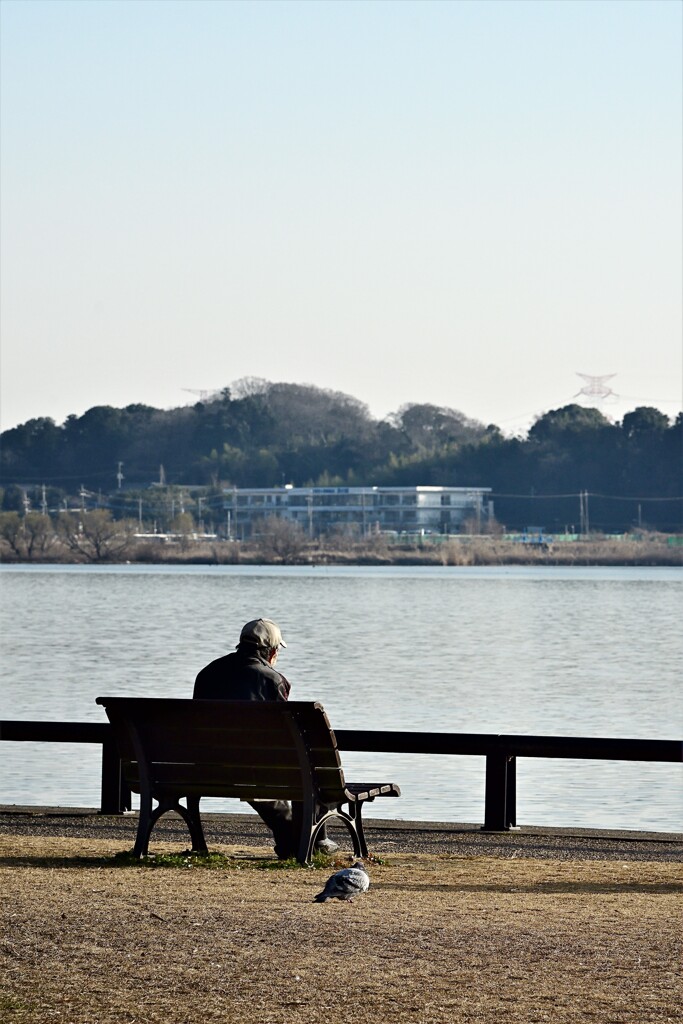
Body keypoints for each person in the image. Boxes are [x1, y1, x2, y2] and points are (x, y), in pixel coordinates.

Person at [193, 617, 337, 858]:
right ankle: (313, 841)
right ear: (271, 651)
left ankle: (295, 842)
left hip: (206, 769)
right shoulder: (273, 680)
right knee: (316, 773)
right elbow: (284, 737)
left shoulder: (207, 673)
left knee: (268, 778)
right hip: (259, 770)